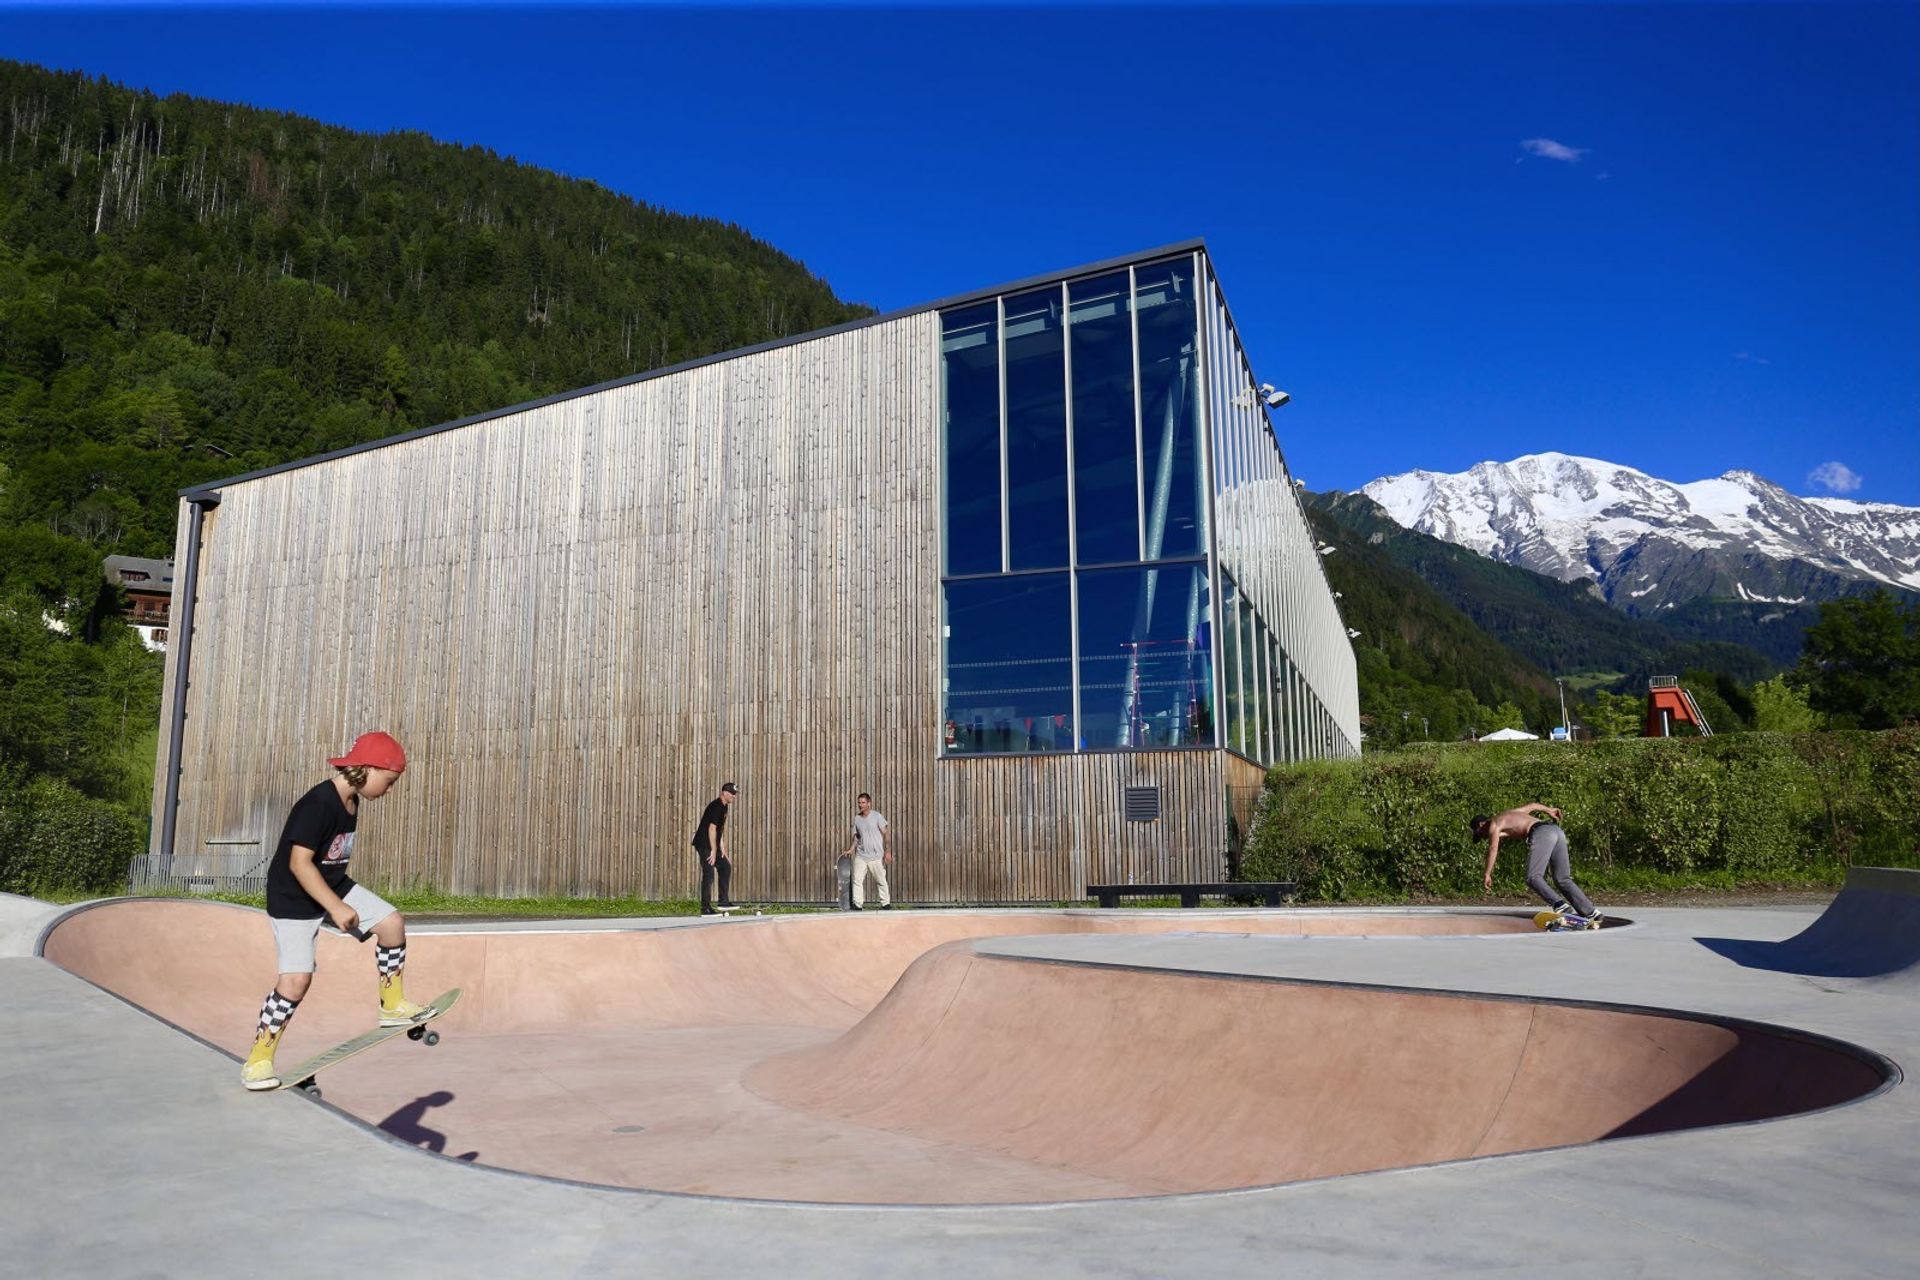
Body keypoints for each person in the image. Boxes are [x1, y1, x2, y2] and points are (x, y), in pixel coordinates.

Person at [241, 731, 436, 1090]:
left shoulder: (351, 801)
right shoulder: (319, 804)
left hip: (332, 884)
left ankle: (391, 1005)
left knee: (391, 923)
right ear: (369, 769)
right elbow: (300, 864)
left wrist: (338, 898)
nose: (389, 791)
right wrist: (335, 906)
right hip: (294, 898)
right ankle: (258, 1060)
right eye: (389, 782)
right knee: (296, 982)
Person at [1473, 804, 1603, 924]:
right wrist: (1549, 810)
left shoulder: (1494, 825)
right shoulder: (1511, 813)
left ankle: (1560, 905)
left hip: (1542, 833)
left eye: (1480, 834)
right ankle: (1591, 912)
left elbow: (1493, 849)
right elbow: (1533, 805)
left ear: (1481, 824)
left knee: (1533, 877)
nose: (1484, 837)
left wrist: (1487, 873)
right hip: (1556, 831)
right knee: (1562, 878)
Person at [839, 791, 892, 910]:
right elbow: (857, 837)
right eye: (859, 803)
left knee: (881, 880)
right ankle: (858, 905)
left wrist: (888, 851)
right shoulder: (857, 819)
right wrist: (851, 850)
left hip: (876, 856)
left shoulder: (877, 816)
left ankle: (886, 903)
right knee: (857, 880)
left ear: (869, 803)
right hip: (861, 855)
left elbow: (886, 834)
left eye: (863, 803)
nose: (861, 805)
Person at [692, 781, 738, 914]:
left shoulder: (724, 807)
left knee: (725, 867)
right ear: (724, 793)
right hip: (704, 844)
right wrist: (713, 850)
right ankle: (705, 908)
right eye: (732, 794)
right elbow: (711, 828)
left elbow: (719, 830)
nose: (734, 796)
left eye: (735, 794)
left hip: (712, 844)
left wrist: (721, 848)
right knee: (709, 873)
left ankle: (723, 902)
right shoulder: (716, 806)